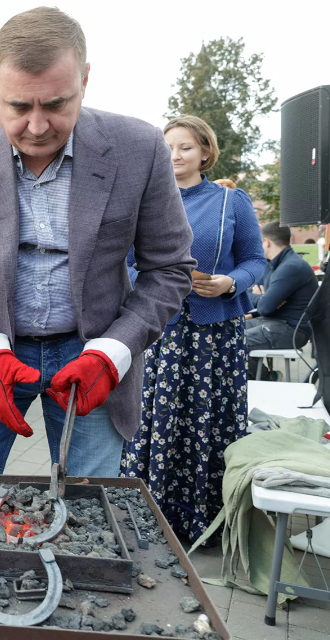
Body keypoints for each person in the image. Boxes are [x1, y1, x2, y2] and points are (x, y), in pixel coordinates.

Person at [0, 6, 196, 475]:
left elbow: (169, 268)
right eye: (19, 106)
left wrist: (115, 351)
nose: (38, 126)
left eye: (58, 104)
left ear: (85, 80)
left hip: (92, 356)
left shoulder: (140, 148)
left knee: (87, 518)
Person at [121, 115, 266, 543]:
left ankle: (205, 523)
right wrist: (146, 284)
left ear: (205, 152)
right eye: (167, 148)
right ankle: (147, 516)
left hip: (214, 336)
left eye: (185, 147)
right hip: (160, 331)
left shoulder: (230, 202)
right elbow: (125, 263)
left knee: (208, 423)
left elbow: (256, 260)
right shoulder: (147, 200)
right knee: (155, 420)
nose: (174, 156)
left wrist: (229, 283)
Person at [247, 221, 319, 379]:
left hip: (292, 330)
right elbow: (258, 298)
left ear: (266, 242)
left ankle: (267, 379)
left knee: (233, 343)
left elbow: (265, 307)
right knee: (226, 333)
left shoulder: (291, 267)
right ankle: (262, 378)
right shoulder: (273, 264)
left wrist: (264, 299)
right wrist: (264, 298)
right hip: (272, 321)